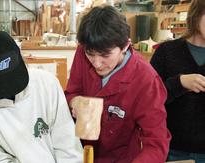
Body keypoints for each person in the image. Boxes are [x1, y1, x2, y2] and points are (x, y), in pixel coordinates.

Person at [65, 5, 171, 163]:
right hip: (79, 154)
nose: (97, 63)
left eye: (105, 55)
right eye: (90, 54)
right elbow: (71, 93)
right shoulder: (84, 51)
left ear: (125, 46)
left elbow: (156, 143)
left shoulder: (146, 80)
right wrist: (75, 102)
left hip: (122, 159)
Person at [0, 30, 83, 163]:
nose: (7, 92)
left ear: (23, 60)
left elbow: (67, 144)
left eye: (11, 80)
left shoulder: (47, 84)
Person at [150, 0, 205, 162]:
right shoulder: (166, 52)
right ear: (195, 16)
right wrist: (178, 84)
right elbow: (147, 100)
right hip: (172, 150)